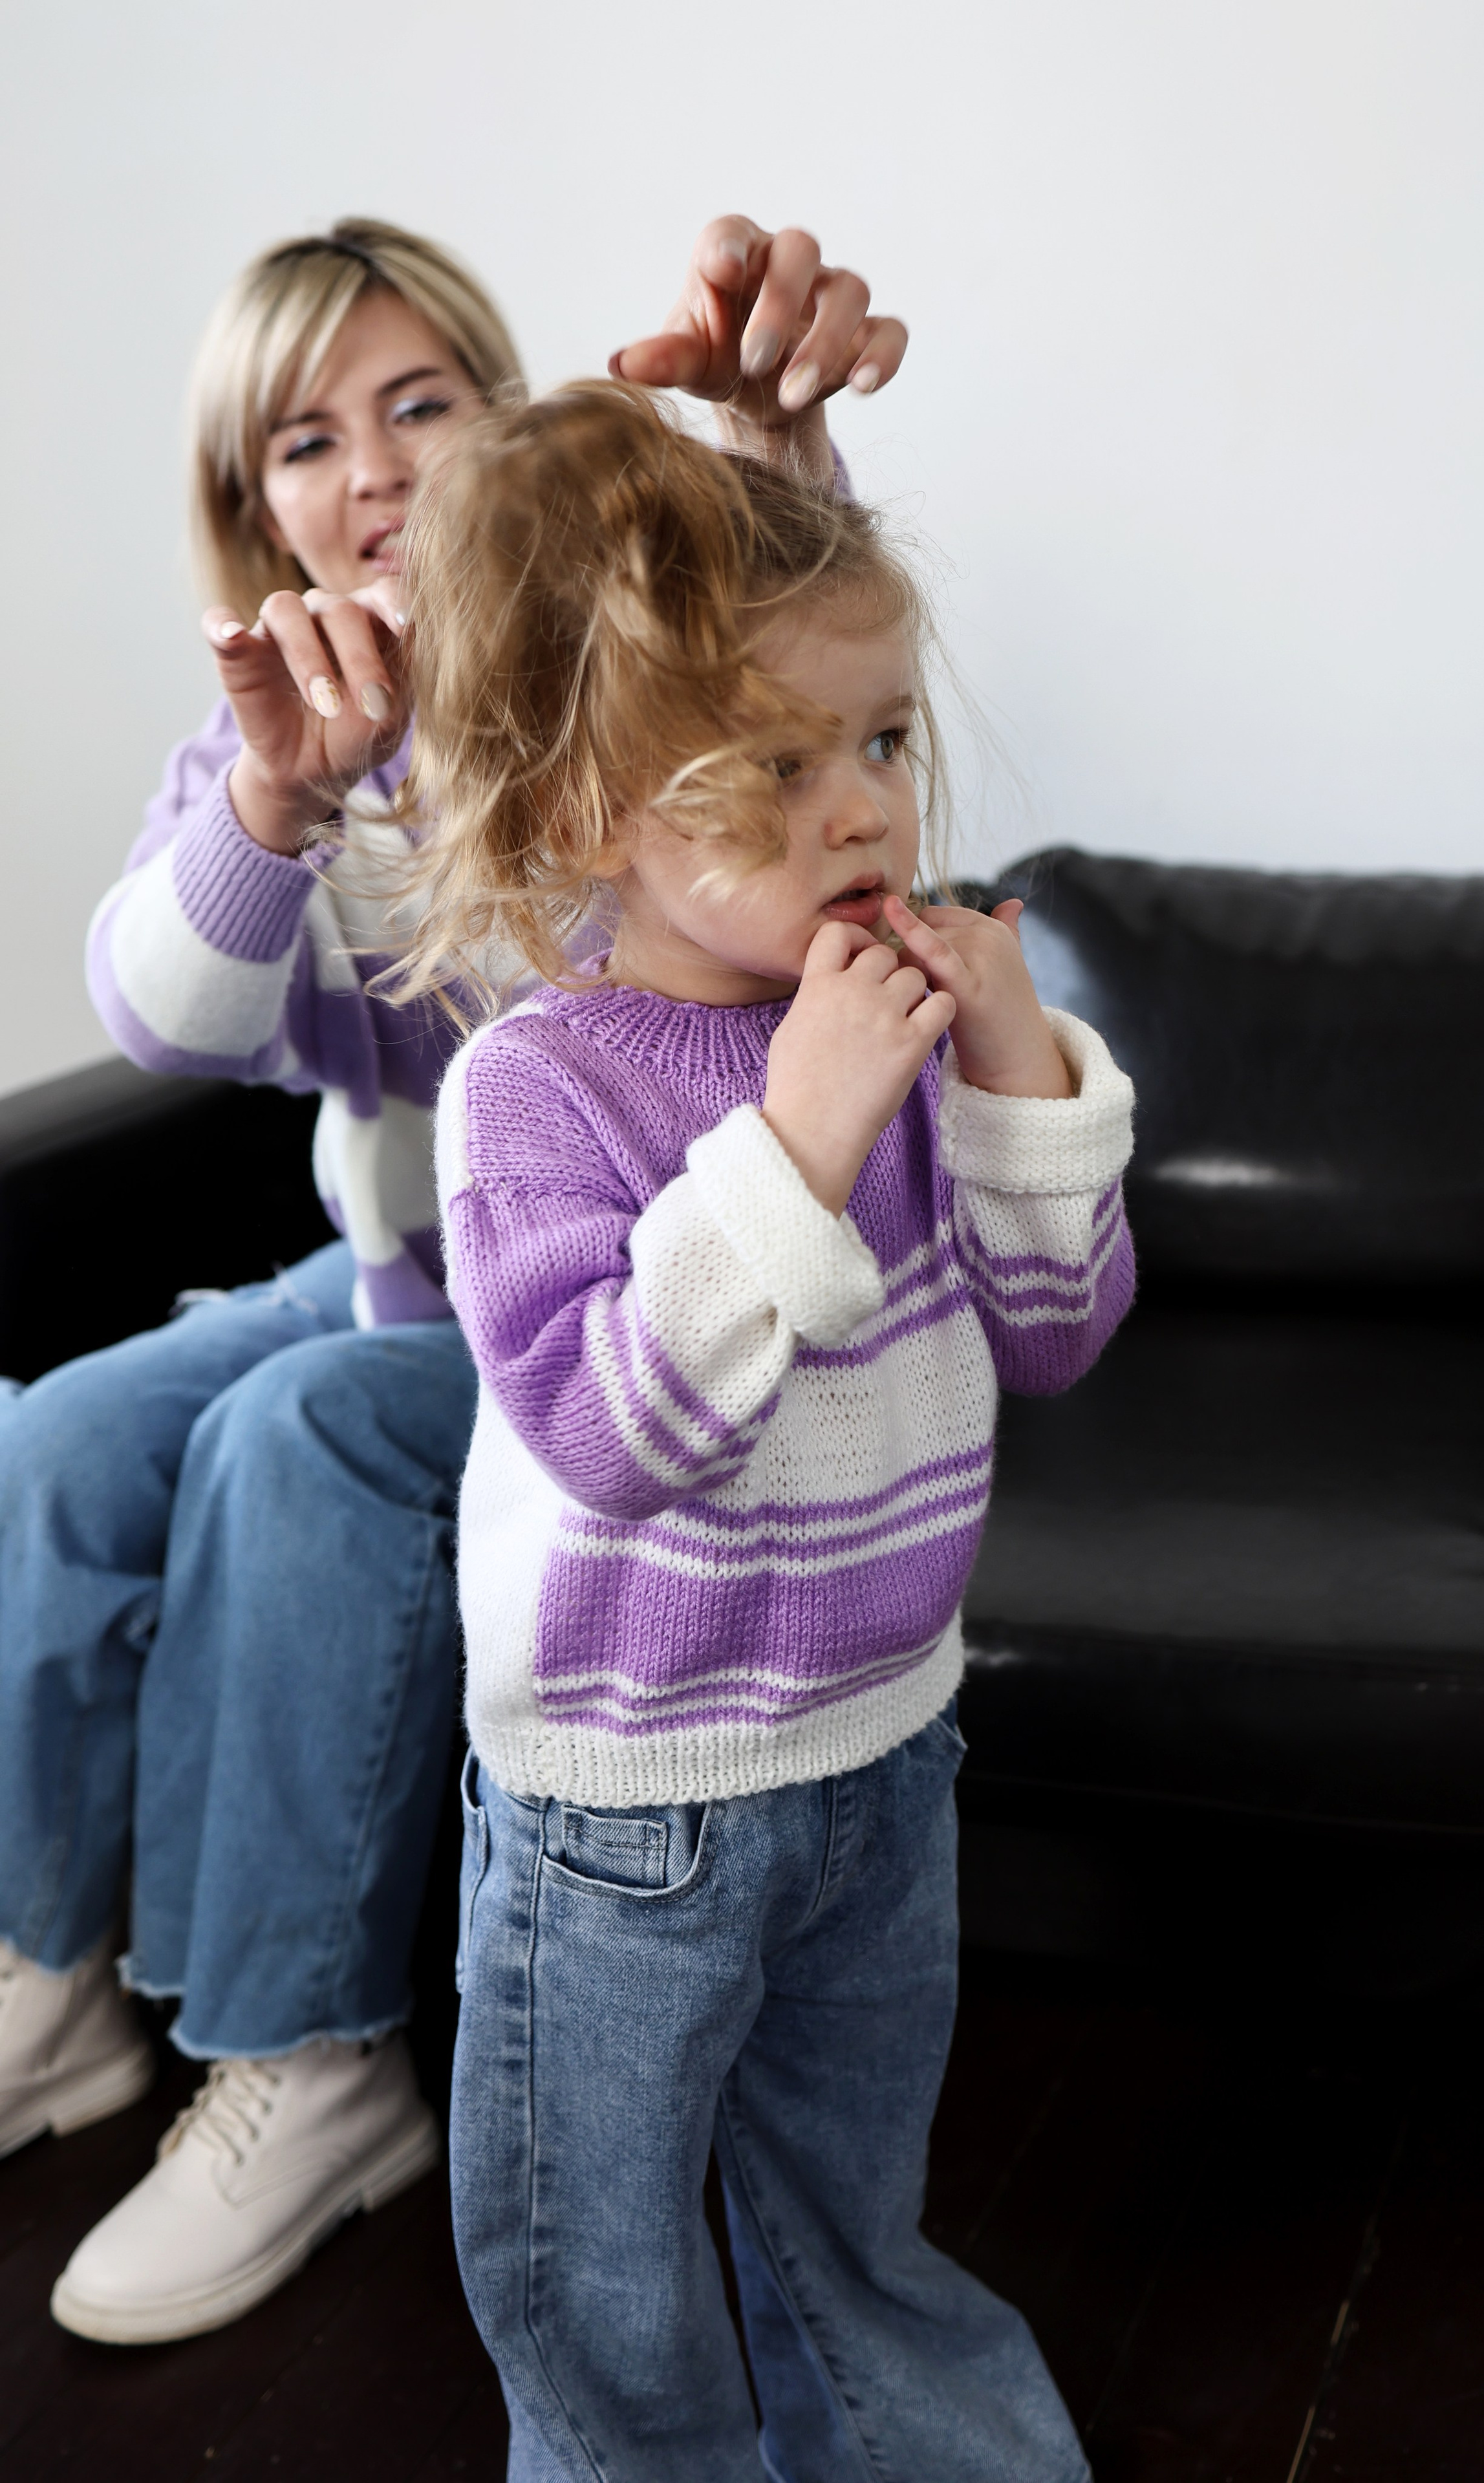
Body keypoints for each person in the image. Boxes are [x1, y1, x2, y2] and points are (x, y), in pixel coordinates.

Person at [0, 213, 907, 2348]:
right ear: (260, 515)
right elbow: (163, 1015)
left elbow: (783, 731)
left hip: (591, 1302)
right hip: (398, 1276)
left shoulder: (619, 702)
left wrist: (773, 471)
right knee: (58, 1437)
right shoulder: (273, 754)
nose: (378, 468)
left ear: (511, 427)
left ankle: (307, 2059)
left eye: (422, 404)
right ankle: (44, 1968)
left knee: (298, 1432)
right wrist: (278, 798)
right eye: (308, 441)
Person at [401, 380, 1138, 2479]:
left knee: (853, 2226)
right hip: (630, 1810)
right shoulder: (535, 1088)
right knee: (604, 2291)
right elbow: (609, 1429)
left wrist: (1019, 1082)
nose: (864, 814)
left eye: (885, 742)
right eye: (778, 769)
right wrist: (799, 1139)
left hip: (887, 1754)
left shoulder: (904, 1026)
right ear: (584, 817)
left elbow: (1060, 1335)